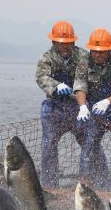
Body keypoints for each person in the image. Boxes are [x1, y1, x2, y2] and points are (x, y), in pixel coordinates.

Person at [73, 28, 111, 189]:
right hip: (95, 113)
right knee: (88, 147)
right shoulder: (84, 61)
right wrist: (82, 106)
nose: (98, 55)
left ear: (110, 50)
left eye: (102, 52)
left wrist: (108, 101)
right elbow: (80, 85)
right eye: (95, 51)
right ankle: (86, 185)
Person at [35, 21, 85, 187]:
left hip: (78, 107)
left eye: (68, 43)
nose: (64, 46)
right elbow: (41, 77)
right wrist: (56, 86)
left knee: (91, 143)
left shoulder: (83, 57)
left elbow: (91, 78)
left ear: (73, 42)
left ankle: (93, 183)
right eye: (61, 43)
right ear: (54, 42)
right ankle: (50, 186)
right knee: (48, 145)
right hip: (55, 106)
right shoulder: (46, 58)